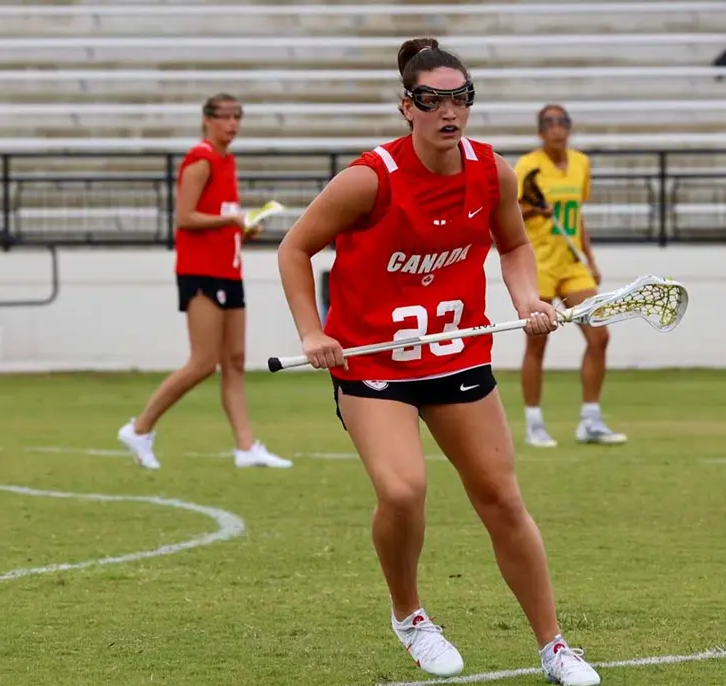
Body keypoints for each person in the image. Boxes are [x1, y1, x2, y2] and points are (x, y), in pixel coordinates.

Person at [275, 38, 602, 686]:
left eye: (461, 97)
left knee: (502, 499)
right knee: (402, 490)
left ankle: (554, 646)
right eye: (433, 99)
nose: (449, 111)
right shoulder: (370, 179)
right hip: (376, 366)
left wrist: (527, 298)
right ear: (407, 106)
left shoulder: (491, 171)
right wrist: (312, 332)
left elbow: (511, 245)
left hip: (455, 358)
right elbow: (294, 248)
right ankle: (410, 616)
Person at [117, 93, 292, 471]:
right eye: (225, 117)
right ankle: (140, 427)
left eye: (237, 117)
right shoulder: (201, 160)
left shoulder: (228, 161)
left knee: (235, 361)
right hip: (201, 273)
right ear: (207, 119)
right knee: (202, 362)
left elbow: (218, 218)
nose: (232, 124)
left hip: (228, 269)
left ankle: (246, 447)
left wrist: (243, 229)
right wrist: (231, 222)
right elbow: (185, 217)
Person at [514, 106, 626, 448]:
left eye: (562, 122)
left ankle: (590, 419)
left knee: (599, 336)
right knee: (538, 341)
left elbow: (577, 215)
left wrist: (589, 259)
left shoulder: (580, 164)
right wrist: (534, 209)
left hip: (571, 263)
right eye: (549, 123)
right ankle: (534, 421)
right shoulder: (527, 166)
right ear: (540, 130)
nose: (556, 128)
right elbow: (510, 212)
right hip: (539, 262)